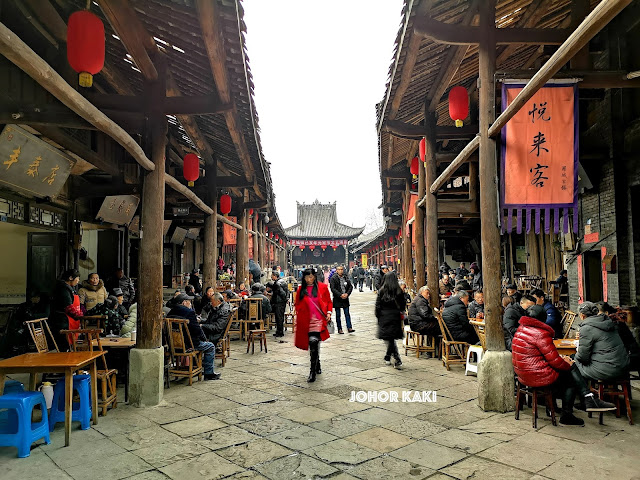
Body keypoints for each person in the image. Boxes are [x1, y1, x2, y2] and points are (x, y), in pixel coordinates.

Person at [512, 304, 615, 426]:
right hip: (538, 374)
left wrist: (563, 360)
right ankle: (570, 413)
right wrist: (567, 363)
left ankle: (586, 398)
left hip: (523, 373)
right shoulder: (540, 333)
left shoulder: (521, 329)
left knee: (568, 367)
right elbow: (555, 361)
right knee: (570, 376)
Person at [168, 293, 219, 380]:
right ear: (184, 303)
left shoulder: (170, 312)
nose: (190, 303)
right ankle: (209, 373)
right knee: (210, 346)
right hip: (189, 344)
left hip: (172, 345)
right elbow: (197, 330)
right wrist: (203, 339)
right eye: (189, 301)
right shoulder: (189, 312)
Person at [574, 302, 630, 381]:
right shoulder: (608, 322)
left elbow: (583, 357)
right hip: (623, 366)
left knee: (573, 362)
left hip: (606, 370)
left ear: (582, 316)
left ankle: (585, 392)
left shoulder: (587, 328)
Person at [294, 267, 331, 383]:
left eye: (311, 277)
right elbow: (297, 304)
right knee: (312, 344)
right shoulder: (301, 290)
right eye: (307, 277)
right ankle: (317, 363)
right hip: (306, 321)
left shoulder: (322, 287)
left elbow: (329, 301)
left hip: (318, 321)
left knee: (314, 341)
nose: (309, 279)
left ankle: (312, 371)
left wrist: (329, 313)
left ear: (314, 277)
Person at [375, 272, 406, 368]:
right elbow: (402, 306)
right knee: (391, 338)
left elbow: (377, 306)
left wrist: (378, 316)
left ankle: (396, 358)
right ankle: (388, 357)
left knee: (389, 338)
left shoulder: (382, 291)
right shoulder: (399, 291)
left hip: (384, 317)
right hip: (395, 317)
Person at [329, 265, 355, 334]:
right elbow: (333, 289)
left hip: (345, 298)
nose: (341, 271)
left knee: (347, 314)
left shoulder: (345, 277)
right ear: (336, 270)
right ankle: (339, 328)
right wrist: (340, 295)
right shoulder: (333, 278)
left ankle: (349, 327)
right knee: (338, 315)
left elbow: (350, 287)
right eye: (339, 269)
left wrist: (347, 294)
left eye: (342, 269)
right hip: (338, 298)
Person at [269, 270, 288, 337]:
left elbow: (282, 292)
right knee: (280, 317)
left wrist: (283, 299)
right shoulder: (283, 282)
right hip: (282, 302)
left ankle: (279, 332)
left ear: (275, 276)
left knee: (278, 317)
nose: (271, 277)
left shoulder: (277, 283)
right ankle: (279, 331)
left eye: (272, 276)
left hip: (279, 302)